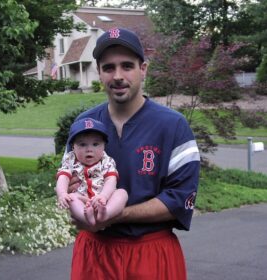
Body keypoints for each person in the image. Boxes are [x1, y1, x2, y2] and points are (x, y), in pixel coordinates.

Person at [70, 28, 200, 280]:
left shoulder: (173, 125)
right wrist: (77, 210)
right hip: (94, 253)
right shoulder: (83, 124)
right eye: (109, 68)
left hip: (151, 252)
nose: (118, 76)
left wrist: (115, 215)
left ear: (143, 69)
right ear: (99, 72)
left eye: (127, 66)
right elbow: (72, 183)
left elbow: (180, 199)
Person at [56, 117, 128, 226]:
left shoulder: (106, 160)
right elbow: (63, 178)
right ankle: (86, 218)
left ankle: (106, 213)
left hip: (103, 200)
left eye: (95, 144)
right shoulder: (70, 160)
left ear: (104, 146)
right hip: (81, 198)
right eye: (82, 144)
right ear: (73, 147)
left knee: (122, 193)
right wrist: (62, 194)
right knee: (72, 198)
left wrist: (103, 196)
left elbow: (111, 180)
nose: (89, 149)